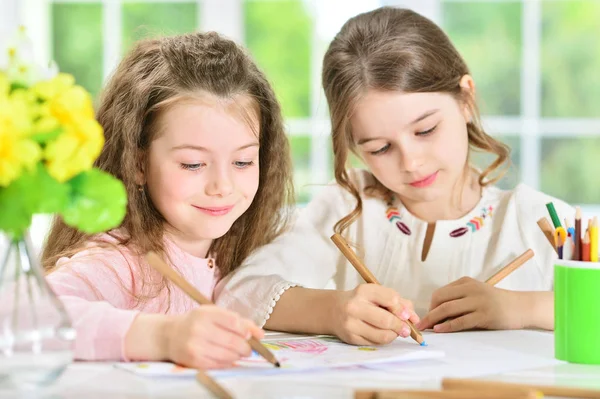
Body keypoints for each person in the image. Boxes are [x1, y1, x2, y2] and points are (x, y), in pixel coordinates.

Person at [215, 7, 572, 346]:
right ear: (353, 146)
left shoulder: (536, 220)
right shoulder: (348, 206)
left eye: (426, 130)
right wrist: (334, 311)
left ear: (466, 98)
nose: (412, 163)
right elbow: (239, 292)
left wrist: (521, 307)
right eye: (380, 149)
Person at [43, 31, 294, 369]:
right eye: (193, 164)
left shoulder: (244, 250)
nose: (222, 185)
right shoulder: (123, 262)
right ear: (138, 164)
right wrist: (163, 337)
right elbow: (23, 315)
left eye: (243, 161)